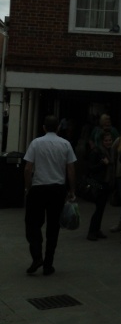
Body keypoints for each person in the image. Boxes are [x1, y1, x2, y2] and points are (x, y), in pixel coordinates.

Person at [23, 115, 77, 276]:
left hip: (38, 188)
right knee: (53, 227)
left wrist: (28, 188)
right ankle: (48, 263)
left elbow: (27, 168)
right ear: (58, 128)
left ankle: (37, 255)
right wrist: (72, 190)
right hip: (57, 189)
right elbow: (71, 169)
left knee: (32, 224)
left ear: (44, 127)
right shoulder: (65, 144)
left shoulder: (36, 143)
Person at [86, 130, 114, 241]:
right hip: (98, 183)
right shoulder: (97, 152)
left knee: (101, 208)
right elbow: (90, 168)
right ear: (102, 141)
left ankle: (96, 230)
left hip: (105, 182)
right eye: (106, 140)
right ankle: (92, 231)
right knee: (98, 208)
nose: (108, 142)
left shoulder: (109, 151)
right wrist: (102, 163)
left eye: (110, 140)